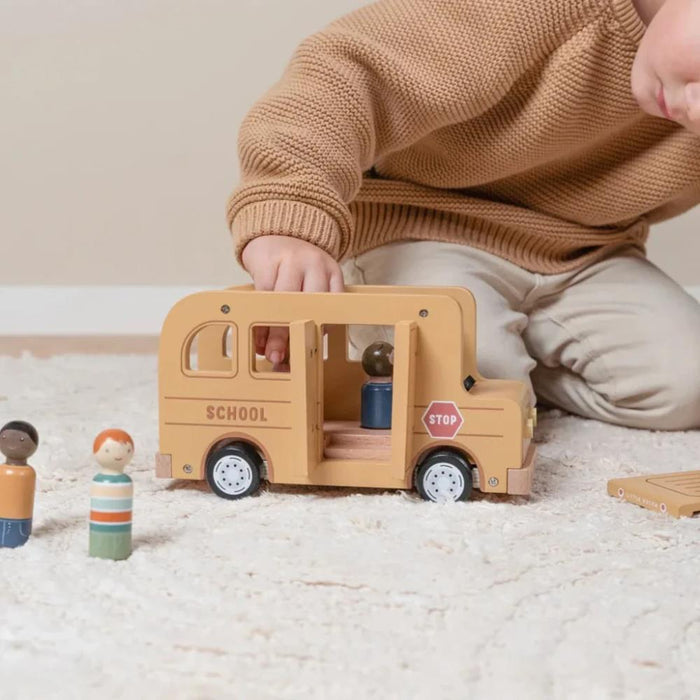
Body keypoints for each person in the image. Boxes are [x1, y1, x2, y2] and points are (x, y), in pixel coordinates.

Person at [228, 0, 700, 430]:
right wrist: (290, 204)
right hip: (424, 229)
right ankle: (458, 362)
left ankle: (520, 369)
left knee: (689, 387)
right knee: (470, 399)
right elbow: (348, 72)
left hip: (586, 253)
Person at [0, 420, 38, 548]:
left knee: (18, 537)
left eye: (22, 439)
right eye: (4, 438)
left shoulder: (28, 473)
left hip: (21, 518)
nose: (12, 443)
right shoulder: (2, 470)